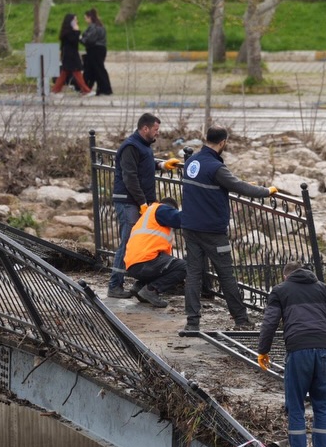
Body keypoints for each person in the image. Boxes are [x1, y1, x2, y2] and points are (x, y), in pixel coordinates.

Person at [180, 126, 276, 332]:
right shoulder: (216, 167)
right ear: (223, 142)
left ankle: (192, 322)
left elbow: (225, 184)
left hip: (189, 226)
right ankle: (241, 319)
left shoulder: (191, 162)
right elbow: (240, 187)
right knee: (226, 274)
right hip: (212, 231)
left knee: (194, 274)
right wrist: (266, 191)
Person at [256, 260, 326, 447]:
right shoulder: (324, 289)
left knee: (295, 404)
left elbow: (270, 323)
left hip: (298, 351)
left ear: (286, 276)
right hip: (324, 351)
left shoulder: (280, 291)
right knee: (321, 404)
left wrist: (263, 350)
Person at [109, 113, 181, 298]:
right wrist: (142, 203)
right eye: (155, 130)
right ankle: (115, 286)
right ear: (145, 128)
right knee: (127, 242)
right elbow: (130, 176)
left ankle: (138, 284)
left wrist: (163, 165)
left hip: (135, 201)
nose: (157, 133)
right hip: (128, 201)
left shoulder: (143, 146)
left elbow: (144, 164)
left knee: (134, 241)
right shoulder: (131, 146)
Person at [123, 197, 186, 308]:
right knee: (185, 267)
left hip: (133, 265)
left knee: (167, 266)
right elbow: (180, 219)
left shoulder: (148, 215)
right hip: (145, 262)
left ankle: (139, 287)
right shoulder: (161, 209)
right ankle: (151, 290)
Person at [50, 13, 94, 97]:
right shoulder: (67, 32)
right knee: (76, 72)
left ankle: (55, 90)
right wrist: (77, 31)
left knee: (65, 73)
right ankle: (86, 90)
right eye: (75, 20)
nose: (76, 21)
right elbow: (73, 41)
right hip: (70, 56)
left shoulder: (69, 32)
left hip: (71, 55)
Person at [80, 8, 112, 96]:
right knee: (95, 69)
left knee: (97, 69)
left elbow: (89, 40)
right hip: (101, 49)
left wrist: (80, 38)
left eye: (85, 18)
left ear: (90, 18)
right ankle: (90, 87)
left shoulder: (93, 27)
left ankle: (104, 89)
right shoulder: (101, 26)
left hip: (95, 50)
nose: (85, 20)